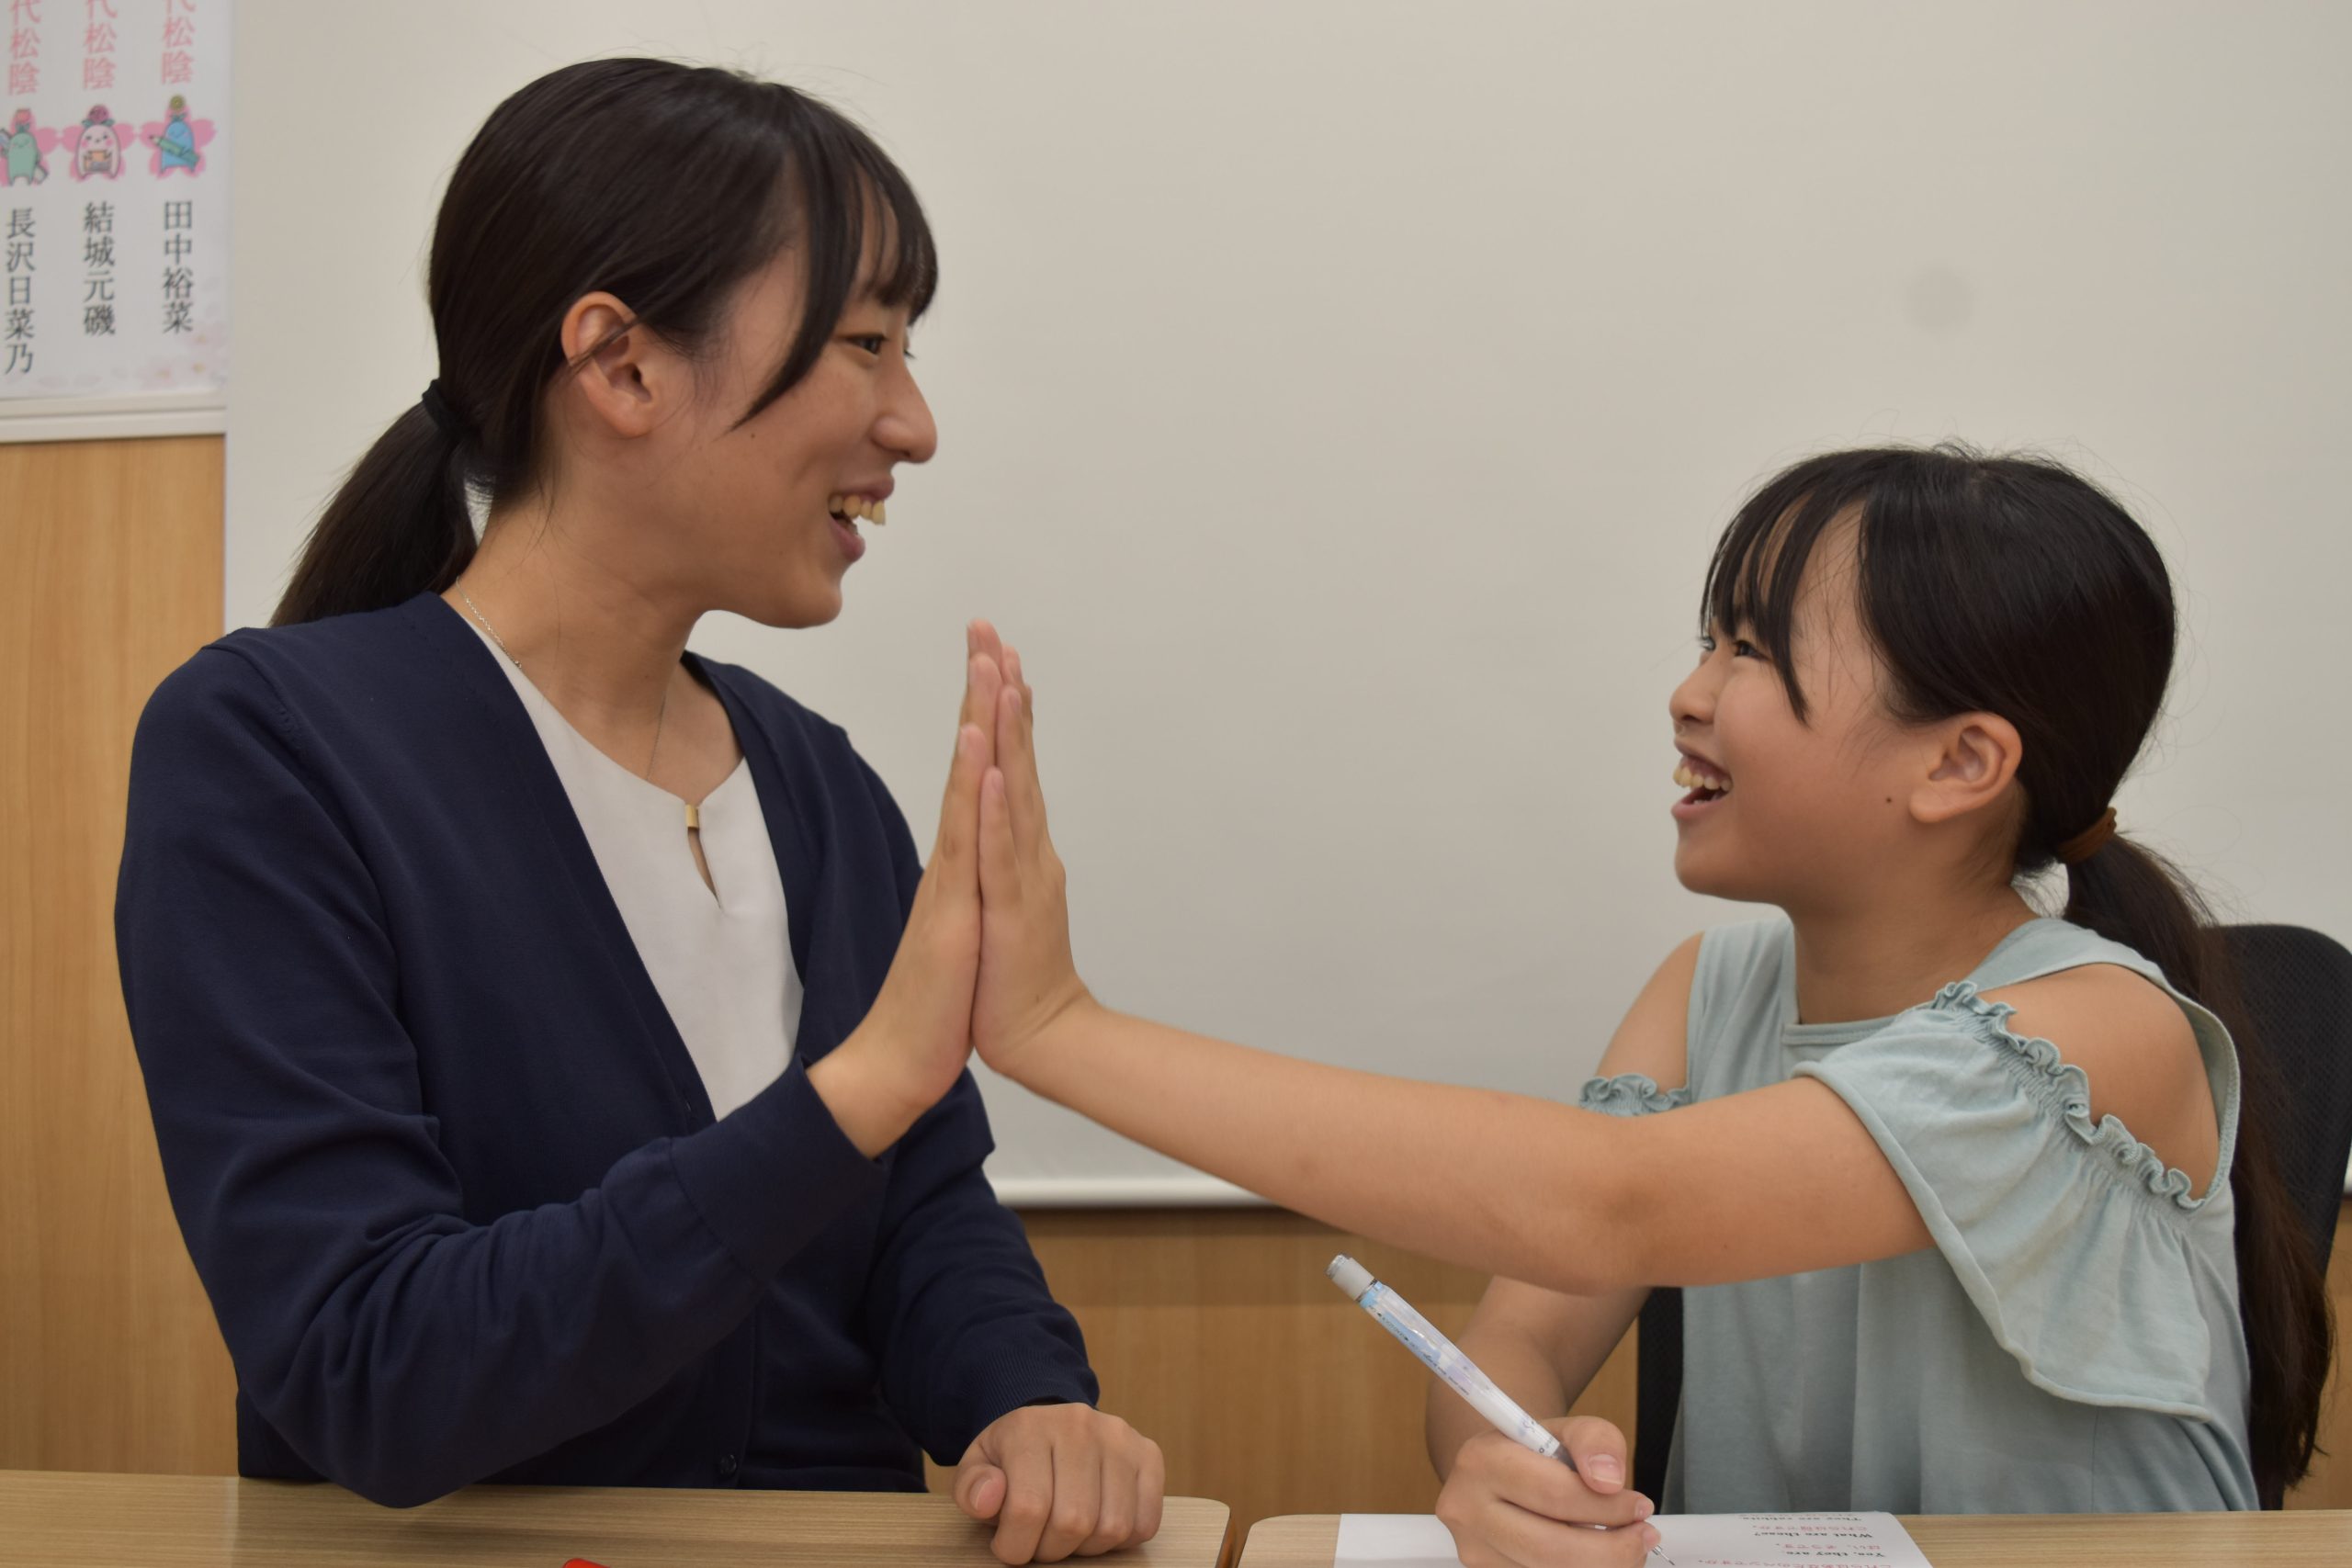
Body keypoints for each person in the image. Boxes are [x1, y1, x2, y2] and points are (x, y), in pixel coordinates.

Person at [116, 59, 1161, 1562]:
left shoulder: (817, 784)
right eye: (864, 342)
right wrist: (846, 1096)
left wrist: (1026, 1402)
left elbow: (927, 1218)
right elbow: (372, 1369)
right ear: (618, 365)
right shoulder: (268, 753)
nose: (914, 422)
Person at [938, 446, 2331, 1562]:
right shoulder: (1702, 990)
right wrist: (1509, 1454)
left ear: (1960, 763)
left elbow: (1619, 1199)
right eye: (1705, 642)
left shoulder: (2102, 1029)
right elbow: (1523, 1333)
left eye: (1749, 654)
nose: (1687, 694)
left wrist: (1065, 1032)